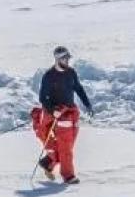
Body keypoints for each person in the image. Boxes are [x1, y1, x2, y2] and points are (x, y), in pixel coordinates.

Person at [32, 45, 94, 184]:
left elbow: (78, 88)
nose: (67, 60)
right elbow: (43, 98)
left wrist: (87, 104)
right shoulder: (49, 76)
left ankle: (48, 162)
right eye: (65, 58)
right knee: (66, 145)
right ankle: (68, 176)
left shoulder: (71, 72)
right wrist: (53, 110)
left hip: (71, 111)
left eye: (68, 58)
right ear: (58, 59)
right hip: (58, 114)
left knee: (69, 144)